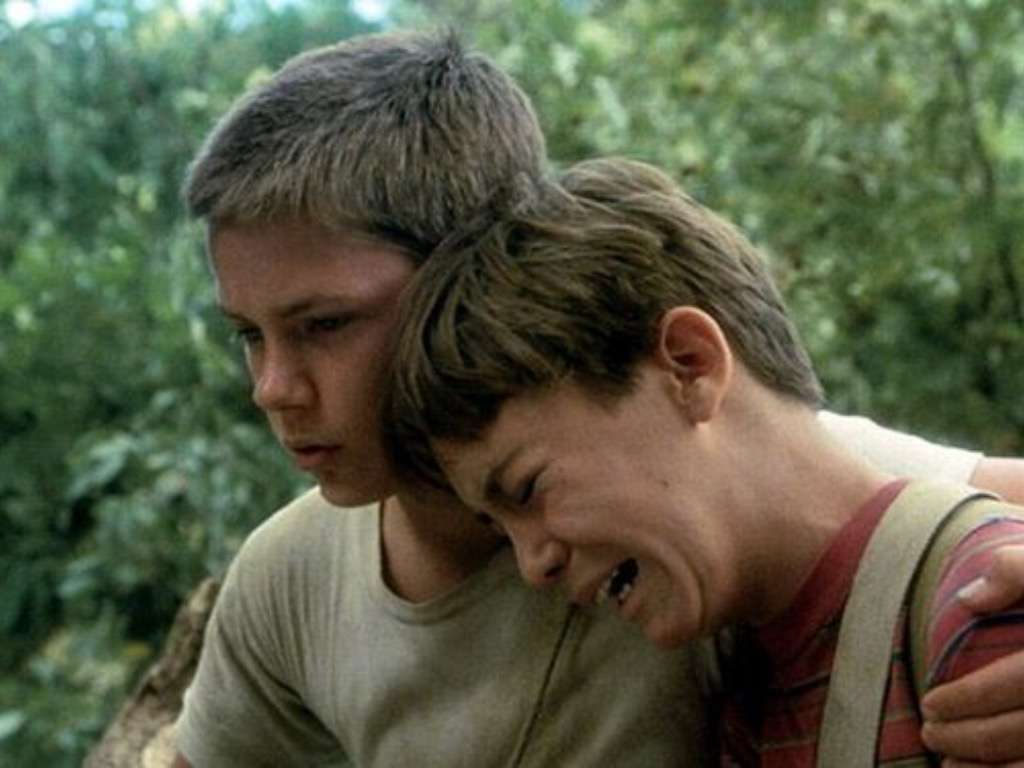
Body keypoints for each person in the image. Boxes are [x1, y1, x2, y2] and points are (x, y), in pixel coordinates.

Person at [174, 30, 1024, 767]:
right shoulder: (290, 582)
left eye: (324, 325)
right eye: (248, 334)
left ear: (469, 274)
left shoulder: (688, 469)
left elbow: (921, 532)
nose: (273, 387)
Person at [384, 156, 1024, 765]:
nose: (534, 566)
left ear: (691, 365)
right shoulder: (755, 683)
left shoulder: (978, 610)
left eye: (527, 488)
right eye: (501, 529)